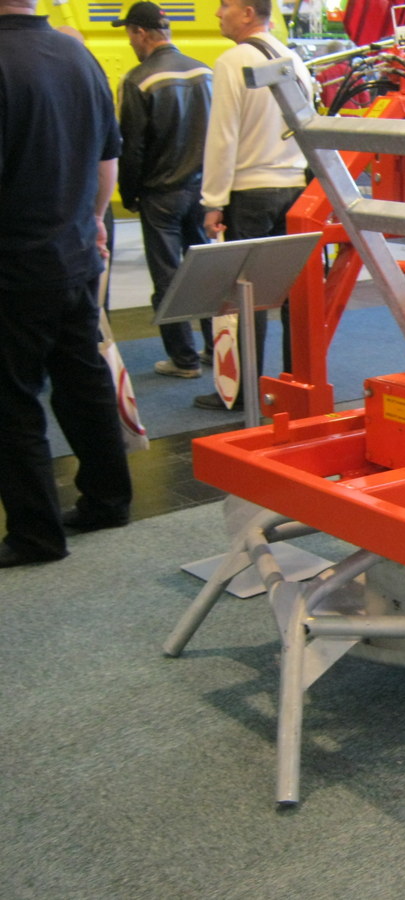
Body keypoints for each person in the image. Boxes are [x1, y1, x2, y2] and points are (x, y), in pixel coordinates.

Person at [0, 0, 133, 567]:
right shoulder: (79, 57)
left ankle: (35, 534)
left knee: (13, 402)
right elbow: (107, 159)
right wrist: (94, 223)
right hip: (76, 253)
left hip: (13, 265)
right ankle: (108, 500)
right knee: (84, 382)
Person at [199, 0, 312, 411]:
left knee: (247, 297)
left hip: (249, 192)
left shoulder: (232, 62)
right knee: (295, 296)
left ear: (248, 13)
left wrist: (213, 200)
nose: (218, 13)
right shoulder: (294, 60)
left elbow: (223, 136)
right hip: (295, 189)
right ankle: (297, 384)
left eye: (225, 5)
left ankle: (243, 390)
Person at [114, 1, 212, 380]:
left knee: (168, 277)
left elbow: (132, 148)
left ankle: (183, 360)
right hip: (203, 191)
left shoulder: (138, 80)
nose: (130, 42)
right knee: (205, 274)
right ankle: (216, 351)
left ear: (141, 33)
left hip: (161, 195)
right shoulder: (205, 72)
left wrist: (129, 194)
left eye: (129, 34)